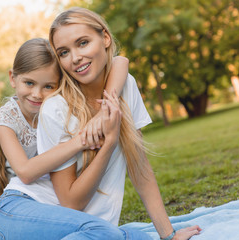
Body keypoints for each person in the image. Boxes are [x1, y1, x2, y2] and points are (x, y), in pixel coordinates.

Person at [36, 7, 202, 240]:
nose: (75, 58)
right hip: (55, 225)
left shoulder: (126, 85)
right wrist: (109, 141)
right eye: (64, 52)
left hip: (99, 230)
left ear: (105, 37)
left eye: (83, 43)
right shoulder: (56, 109)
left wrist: (168, 235)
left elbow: (139, 167)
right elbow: (69, 204)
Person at [0, 37, 130, 240]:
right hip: (16, 192)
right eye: (29, 83)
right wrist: (80, 141)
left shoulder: (57, 106)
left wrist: (104, 111)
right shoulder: (6, 118)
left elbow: (121, 62)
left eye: (48, 86)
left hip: (51, 191)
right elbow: (25, 172)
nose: (37, 94)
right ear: (13, 78)